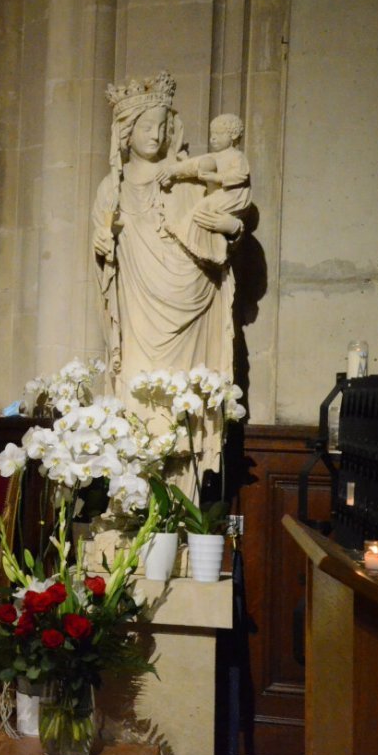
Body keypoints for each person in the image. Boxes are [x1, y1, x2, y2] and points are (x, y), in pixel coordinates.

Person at [91, 71, 245, 485]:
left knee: (182, 412)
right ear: (127, 131)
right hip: (139, 308)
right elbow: (102, 243)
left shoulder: (188, 178)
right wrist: (103, 247)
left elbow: (218, 237)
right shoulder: (112, 187)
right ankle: (136, 510)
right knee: (139, 403)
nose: (155, 135)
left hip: (190, 302)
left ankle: (179, 509)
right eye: (145, 126)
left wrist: (230, 230)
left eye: (162, 126)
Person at [160, 113, 251, 264]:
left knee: (204, 206)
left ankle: (187, 236)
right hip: (168, 262)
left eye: (219, 134)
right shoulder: (210, 159)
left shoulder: (236, 157)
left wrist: (233, 228)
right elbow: (192, 165)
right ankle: (188, 238)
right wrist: (172, 170)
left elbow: (240, 175)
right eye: (212, 134)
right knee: (204, 208)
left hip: (234, 197)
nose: (213, 138)